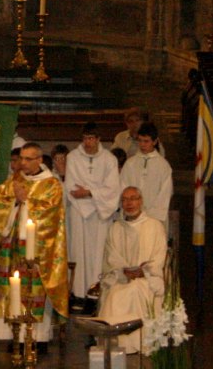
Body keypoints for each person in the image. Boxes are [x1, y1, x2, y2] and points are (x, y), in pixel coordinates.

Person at [0, 142, 68, 347]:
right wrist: (14, 202)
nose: (22, 163)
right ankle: (13, 334)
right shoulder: (13, 181)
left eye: (27, 159)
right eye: (20, 158)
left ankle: (36, 337)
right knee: (13, 289)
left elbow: (51, 215)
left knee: (34, 290)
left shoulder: (51, 184)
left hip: (38, 248)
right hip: (13, 246)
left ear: (39, 160)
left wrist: (26, 201)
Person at [96, 186, 167, 354]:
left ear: (141, 201)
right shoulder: (115, 228)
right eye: (125, 200)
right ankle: (116, 344)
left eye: (133, 198)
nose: (129, 203)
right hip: (121, 277)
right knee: (115, 294)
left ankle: (140, 343)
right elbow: (111, 257)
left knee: (136, 290)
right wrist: (123, 271)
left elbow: (159, 256)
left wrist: (144, 272)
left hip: (147, 278)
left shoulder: (155, 226)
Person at [64, 122, 120, 313]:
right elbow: (70, 186)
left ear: (98, 139)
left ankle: (95, 295)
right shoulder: (72, 157)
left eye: (91, 138)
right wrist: (89, 197)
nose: (88, 142)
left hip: (100, 214)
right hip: (79, 214)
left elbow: (112, 189)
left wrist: (89, 192)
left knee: (97, 255)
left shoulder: (109, 159)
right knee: (78, 252)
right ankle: (78, 293)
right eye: (85, 138)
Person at [119, 123, 173, 234]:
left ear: (155, 141)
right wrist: (134, 211)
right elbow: (123, 187)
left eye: (146, 141)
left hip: (154, 219)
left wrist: (150, 216)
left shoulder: (163, 165)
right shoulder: (130, 163)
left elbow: (165, 193)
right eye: (140, 141)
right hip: (133, 216)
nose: (142, 145)